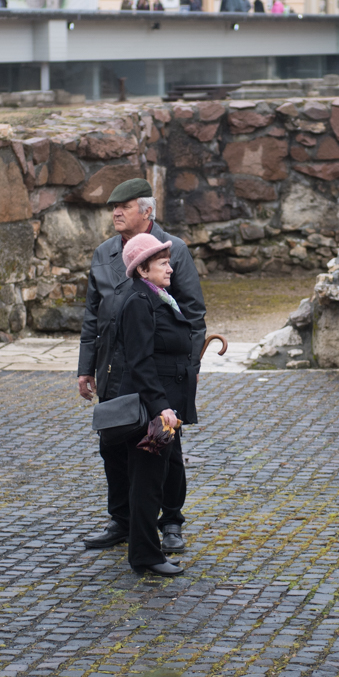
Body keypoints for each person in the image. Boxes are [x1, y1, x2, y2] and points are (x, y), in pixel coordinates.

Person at [79, 178, 206, 555]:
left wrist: (189, 365)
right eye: (112, 207)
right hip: (114, 371)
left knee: (163, 445)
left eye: (125, 206)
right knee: (113, 446)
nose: (116, 212)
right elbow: (92, 317)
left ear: (147, 211)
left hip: (159, 374)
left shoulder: (173, 250)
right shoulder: (104, 253)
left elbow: (194, 313)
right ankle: (123, 520)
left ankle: (170, 522)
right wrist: (86, 368)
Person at [106, 233, 197, 576]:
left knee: (155, 479)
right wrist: (162, 407)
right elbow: (140, 362)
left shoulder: (157, 297)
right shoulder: (138, 303)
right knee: (145, 482)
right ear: (143, 269)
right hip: (152, 410)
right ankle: (145, 555)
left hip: (164, 406)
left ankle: (148, 549)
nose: (170, 268)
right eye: (162, 263)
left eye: (168, 261)